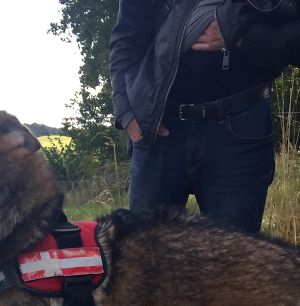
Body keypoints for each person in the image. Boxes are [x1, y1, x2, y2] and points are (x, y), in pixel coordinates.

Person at [109, 0, 300, 233]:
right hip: (158, 130)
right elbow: (127, 36)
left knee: (233, 262)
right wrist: (126, 111)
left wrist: (240, 36)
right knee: (143, 256)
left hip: (240, 131)